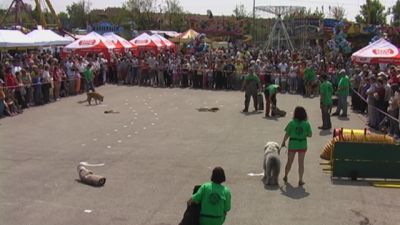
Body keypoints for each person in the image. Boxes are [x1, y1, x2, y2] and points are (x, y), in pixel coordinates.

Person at [281, 106, 312, 186]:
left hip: (293, 144)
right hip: (302, 144)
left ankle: (285, 175)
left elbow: (287, 134)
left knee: (289, 162)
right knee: (301, 163)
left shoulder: (291, 123)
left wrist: (283, 142)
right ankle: (300, 180)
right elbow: (310, 135)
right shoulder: (306, 124)